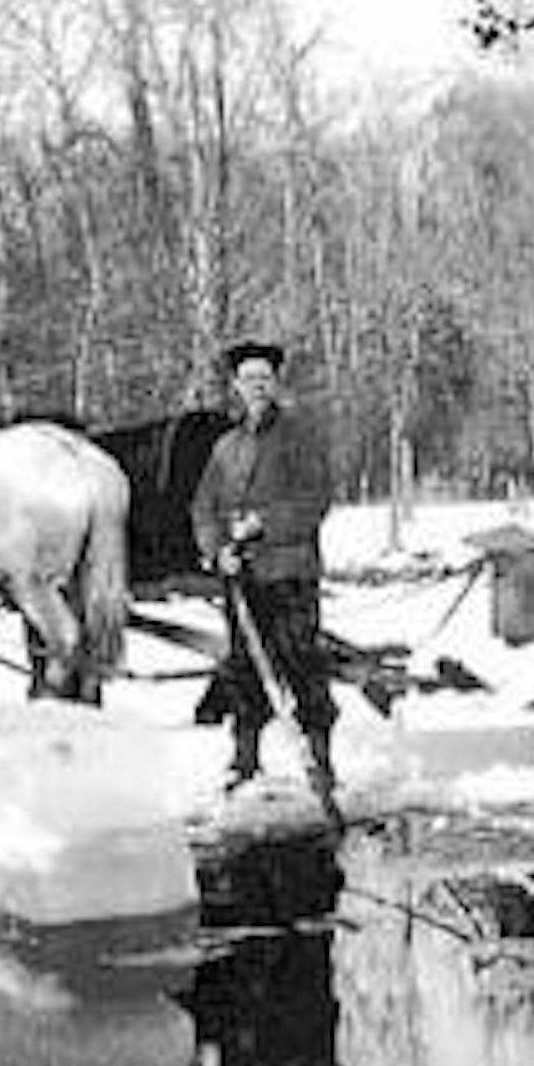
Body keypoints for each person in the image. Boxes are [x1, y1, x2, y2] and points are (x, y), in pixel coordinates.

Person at [190, 340, 338, 801]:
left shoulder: (299, 438)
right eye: (248, 379)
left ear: (276, 384)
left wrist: (263, 524)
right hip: (243, 580)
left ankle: (320, 758)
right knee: (243, 668)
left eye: (264, 379)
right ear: (236, 386)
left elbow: (314, 500)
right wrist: (218, 550)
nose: (256, 387)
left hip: (289, 572)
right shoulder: (226, 447)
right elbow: (204, 508)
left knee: (301, 663)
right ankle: (245, 758)